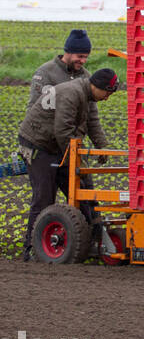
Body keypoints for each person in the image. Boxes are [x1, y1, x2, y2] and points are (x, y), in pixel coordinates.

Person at [17, 68, 121, 259]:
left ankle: (89, 241)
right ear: (96, 86)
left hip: (58, 145)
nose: (107, 98)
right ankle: (32, 248)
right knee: (44, 197)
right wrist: (77, 159)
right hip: (39, 144)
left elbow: (92, 122)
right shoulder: (72, 93)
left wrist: (102, 146)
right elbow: (62, 130)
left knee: (83, 190)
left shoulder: (87, 96)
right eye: (107, 93)